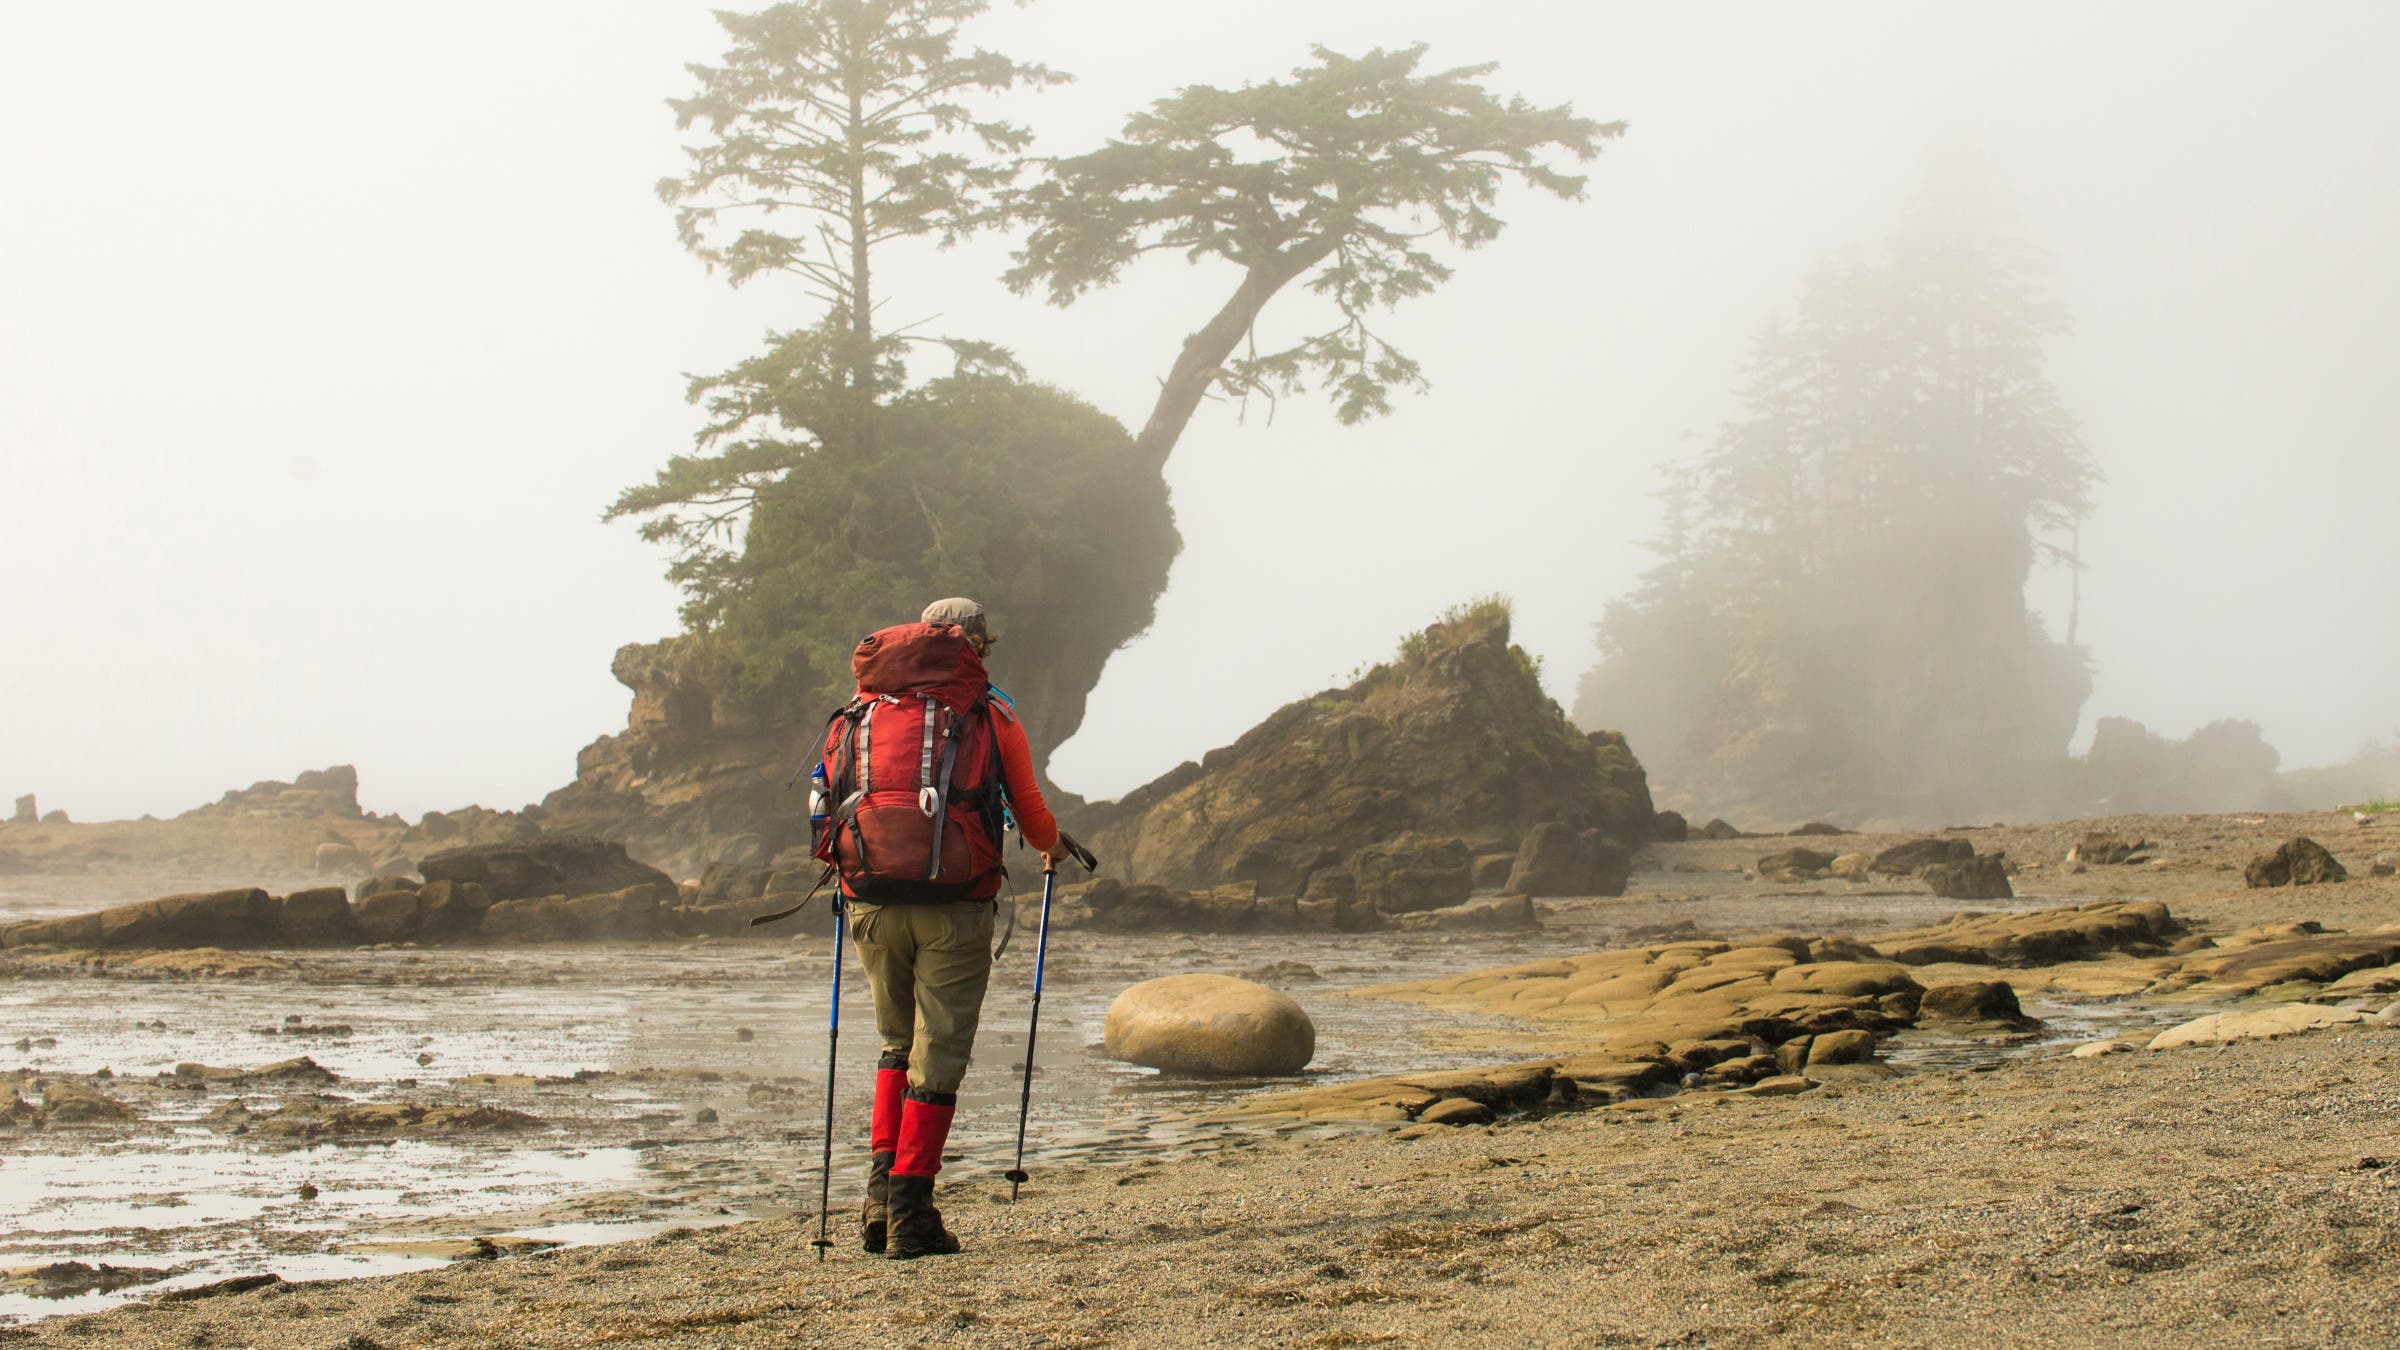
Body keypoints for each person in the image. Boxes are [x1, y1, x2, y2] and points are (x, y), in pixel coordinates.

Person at [826, 596, 1073, 1260]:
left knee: (893, 1042)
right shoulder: (991, 711)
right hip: (956, 907)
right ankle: (912, 1212)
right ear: (979, 647)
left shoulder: (862, 712)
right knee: (937, 1054)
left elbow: (828, 799)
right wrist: (1050, 846)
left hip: (872, 898)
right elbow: (1030, 808)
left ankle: (878, 1198)